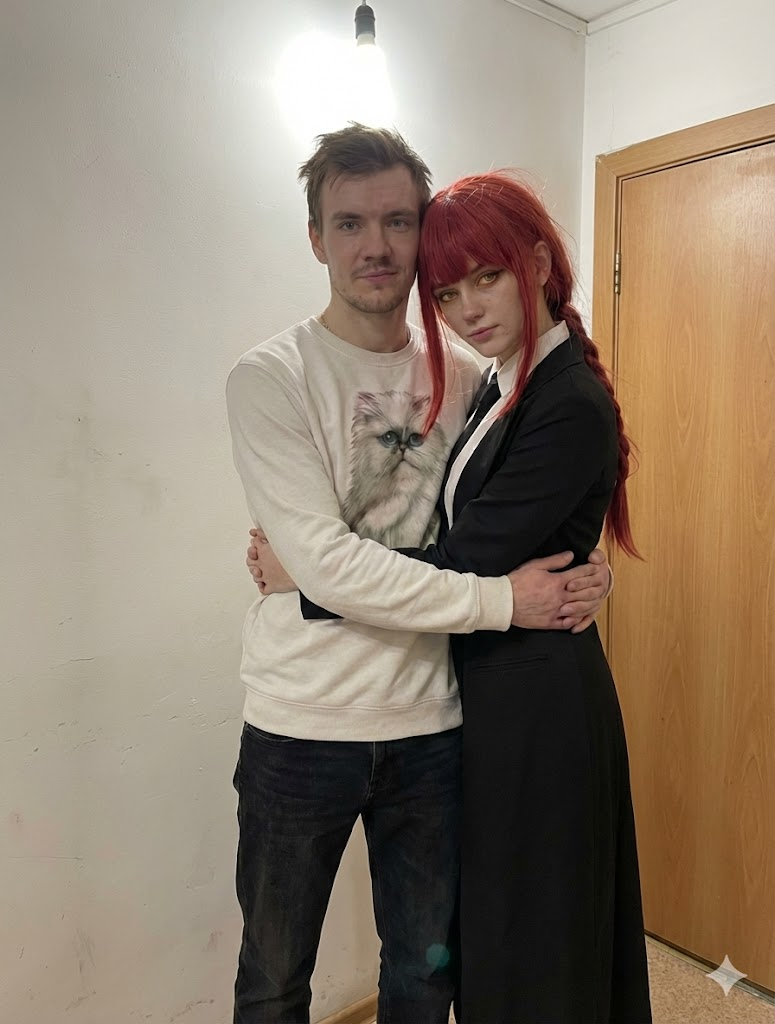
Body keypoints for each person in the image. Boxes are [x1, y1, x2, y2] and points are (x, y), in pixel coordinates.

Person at [227, 124, 611, 1024]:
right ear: (316, 238)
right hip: (302, 724)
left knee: (424, 975)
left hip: (435, 722)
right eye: (348, 223)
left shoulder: (473, 374)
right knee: (274, 979)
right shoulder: (270, 378)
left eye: (396, 220)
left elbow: (503, 519)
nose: (375, 245)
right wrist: (501, 600)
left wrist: (585, 564)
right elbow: (330, 561)